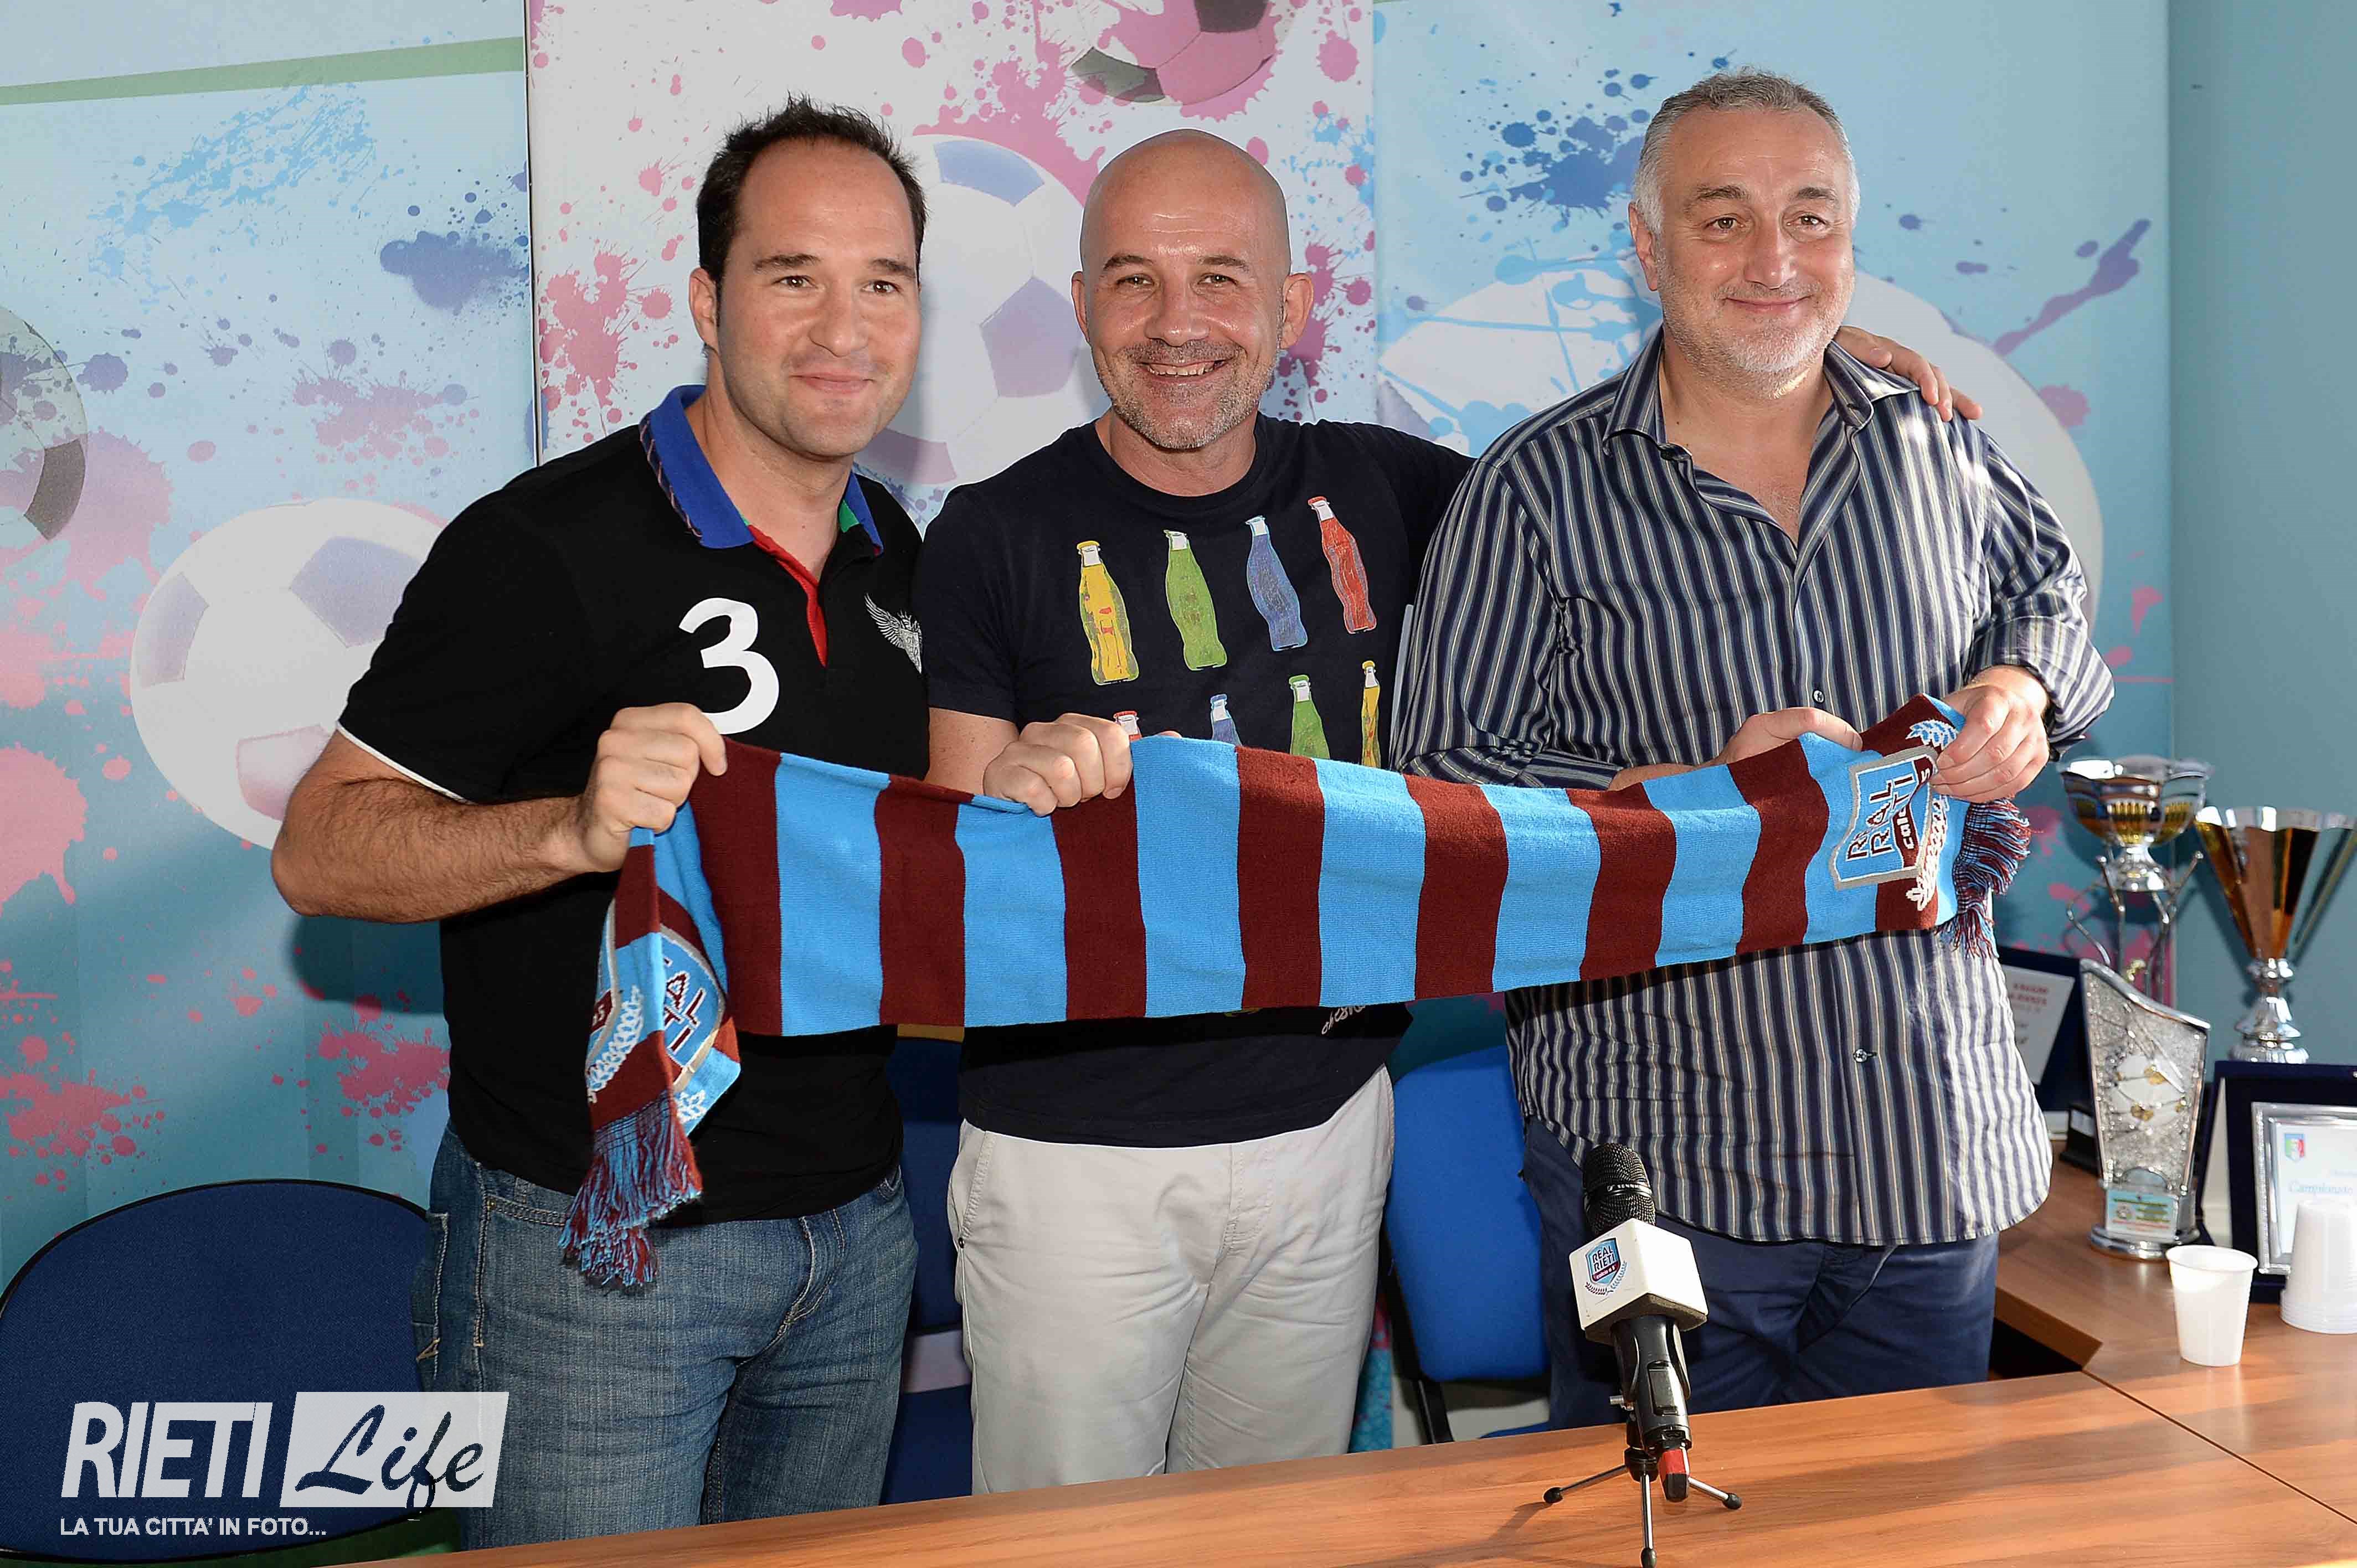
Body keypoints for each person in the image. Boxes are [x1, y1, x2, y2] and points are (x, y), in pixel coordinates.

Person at [915, 127, 1980, 1491]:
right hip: (1075, 1156)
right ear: (1080, 306)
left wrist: (1804, 360)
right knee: (1066, 1547)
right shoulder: (990, 532)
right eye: (1133, 281)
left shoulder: (1401, 490)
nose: (1178, 324)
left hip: (1328, 1125)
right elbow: (945, 880)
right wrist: (1012, 791)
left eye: (1222, 279)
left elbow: (1623, 467)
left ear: (1292, 307)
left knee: (1279, 1532)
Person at [1391, 68, 2114, 1431]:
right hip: (1666, 1158)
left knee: (1909, 1525)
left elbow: (2050, 601)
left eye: (1809, 216)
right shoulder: (1531, 492)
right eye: (1722, 219)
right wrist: (1695, 799)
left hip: (1926, 1149)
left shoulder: (1942, 447)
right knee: (1656, 1523)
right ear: (1646, 247)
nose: (1773, 259)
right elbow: (1445, 790)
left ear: (1849, 237)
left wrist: (2019, 688)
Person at [271, 100, 933, 1546]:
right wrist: (569, 830)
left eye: (883, 281)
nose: (844, 327)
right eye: (794, 275)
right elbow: (320, 851)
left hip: (857, 1231)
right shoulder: (542, 547)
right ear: (706, 300)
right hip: (597, 1254)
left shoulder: (897, 546)